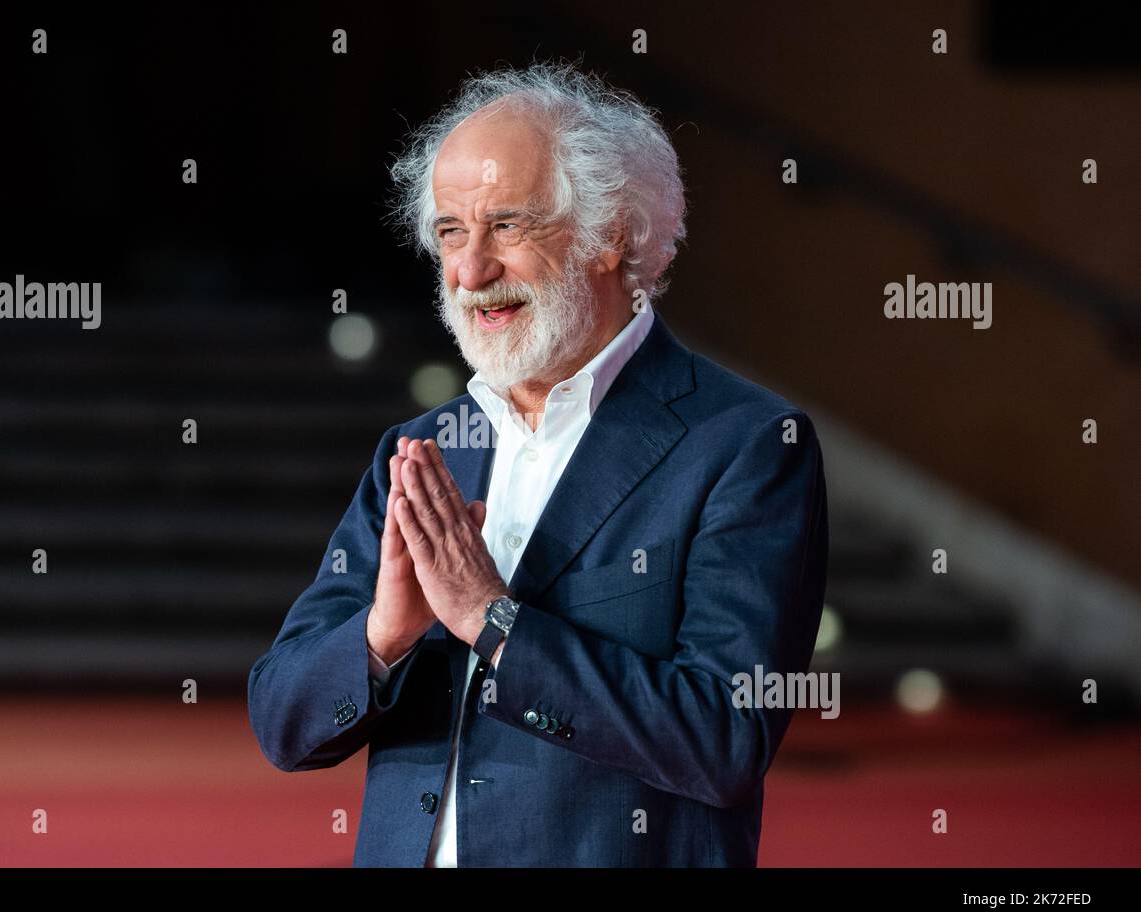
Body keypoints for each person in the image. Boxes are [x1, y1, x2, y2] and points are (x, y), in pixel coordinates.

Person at [248, 62, 828, 866]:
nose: (471, 270)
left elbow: (723, 739)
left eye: (507, 226)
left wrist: (494, 620)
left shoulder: (745, 445)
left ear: (612, 234)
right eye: (451, 231)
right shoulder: (424, 450)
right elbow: (283, 720)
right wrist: (384, 634)